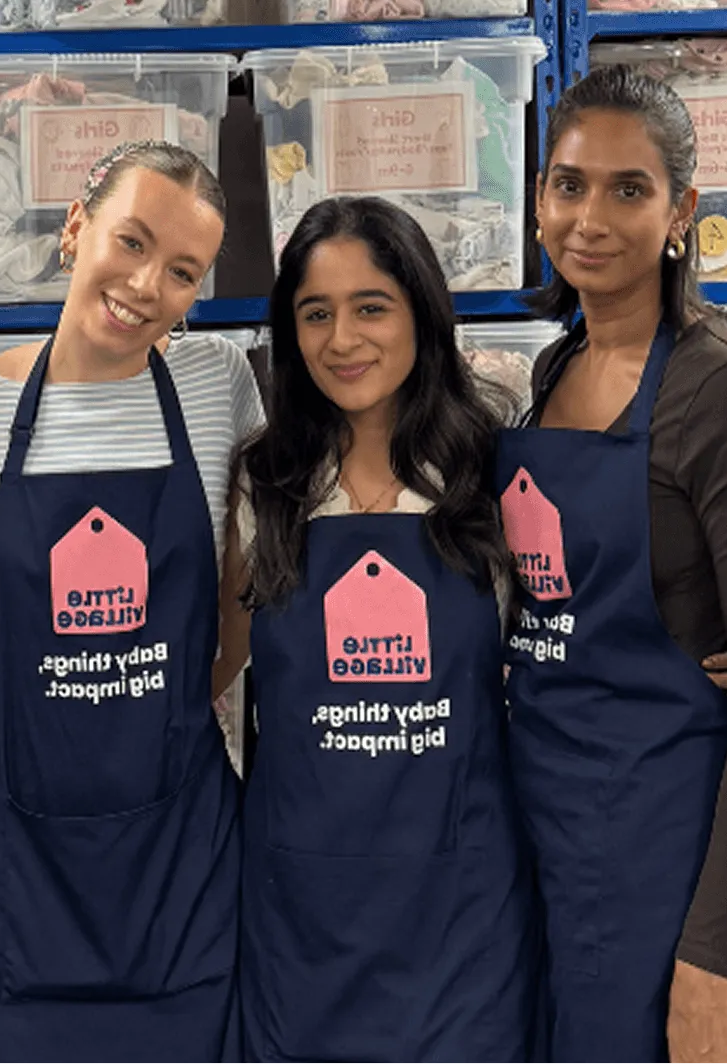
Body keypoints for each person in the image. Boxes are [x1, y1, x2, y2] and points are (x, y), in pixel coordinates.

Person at [500, 65, 727, 1063]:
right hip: (547, 823)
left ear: (681, 210)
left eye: (628, 190)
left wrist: (711, 960)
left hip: (667, 852)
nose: (590, 217)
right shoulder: (555, 371)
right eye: (568, 184)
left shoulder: (725, 395)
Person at [0, 140, 260, 1061]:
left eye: (183, 272)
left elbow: (250, 571)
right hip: (15, 872)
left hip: (176, 862)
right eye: (132, 241)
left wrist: (214, 669)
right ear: (75, 230)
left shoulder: (217, 385)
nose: (148, 284)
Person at [218, 196, 537, 1062]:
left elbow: (567, 641)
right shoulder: (267, 480)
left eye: (371, 308)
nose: (341, 340)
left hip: (461, 912)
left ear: (422, 315)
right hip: (302, 916)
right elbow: (218, 670)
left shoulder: (491, 466)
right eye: (315, 314)